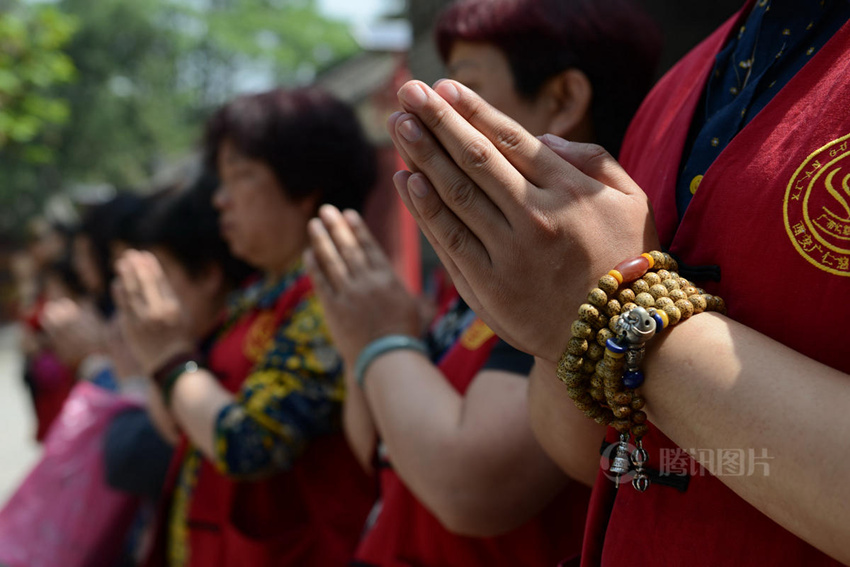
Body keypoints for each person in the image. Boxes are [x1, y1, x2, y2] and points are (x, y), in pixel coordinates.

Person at [386, 0, 850, 565]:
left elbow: (475, 484)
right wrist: (562, 320)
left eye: (465, 84)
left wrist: (612, 310)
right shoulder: (680, 89)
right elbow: (591, 454)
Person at [303, 1, 662, 565]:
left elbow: (471, 488)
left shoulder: (590, 277)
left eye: (464, 91)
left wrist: (381, 341)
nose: (433, 121)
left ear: (563, 100)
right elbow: (382, 446)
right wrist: (368, 342)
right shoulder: (483, 267)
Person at [113, 86, 378, 567]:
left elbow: (251, 444)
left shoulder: (334, 296)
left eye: (241, 176)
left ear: (304, 189)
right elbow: (184, 422)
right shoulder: (258, 294)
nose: (220, 200)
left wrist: (169, 358)